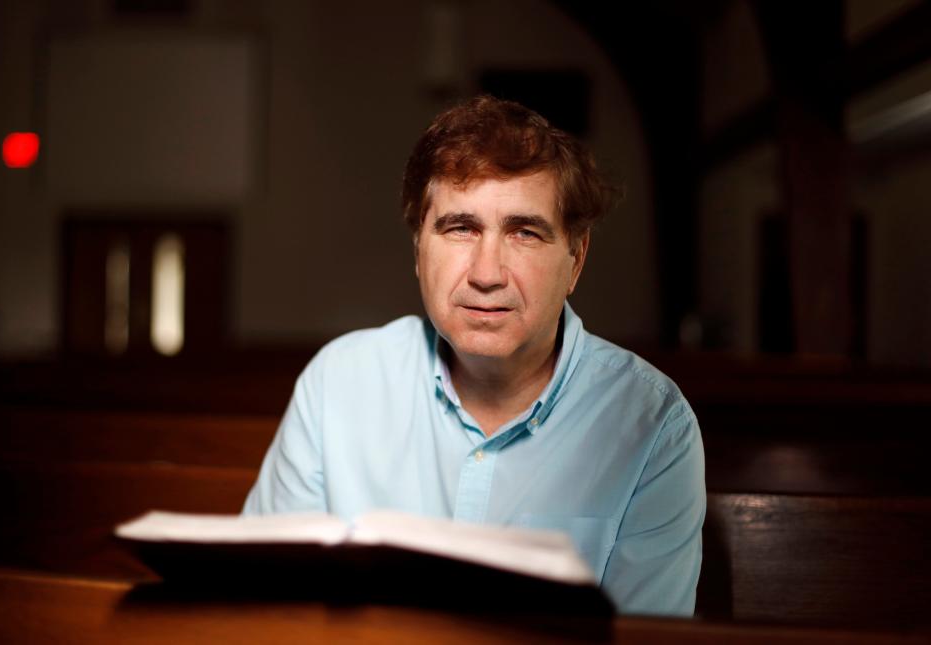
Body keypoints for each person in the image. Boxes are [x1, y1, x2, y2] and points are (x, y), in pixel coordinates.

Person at [243, 95, 706, 616]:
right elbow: (263, 611)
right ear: (418, 247)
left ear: (575, 259)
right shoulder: (338, 384)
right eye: (460, 228)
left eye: (524, 232)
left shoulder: (654, 425)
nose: (487, 274)